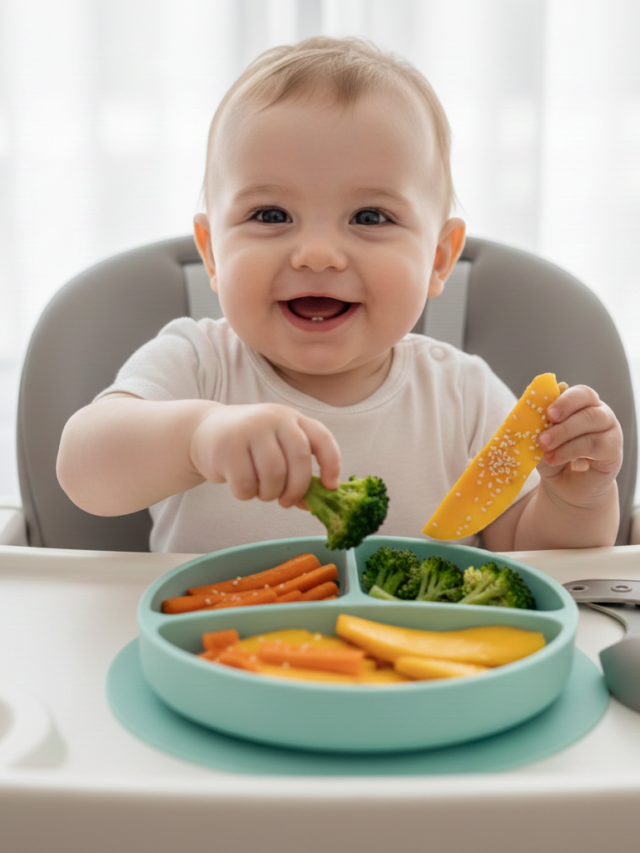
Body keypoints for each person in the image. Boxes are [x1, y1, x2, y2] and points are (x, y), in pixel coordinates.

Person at [56, 36, 623, 555]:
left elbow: (531, 551)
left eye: (370, 216)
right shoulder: (198, 366)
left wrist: (577, 500)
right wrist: (197, 437)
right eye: (271, 214)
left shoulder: (464, 395)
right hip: (217, 656)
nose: (318, 254)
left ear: (439, 258)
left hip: (418, 666)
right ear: (211, 252)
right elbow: (84, 469)